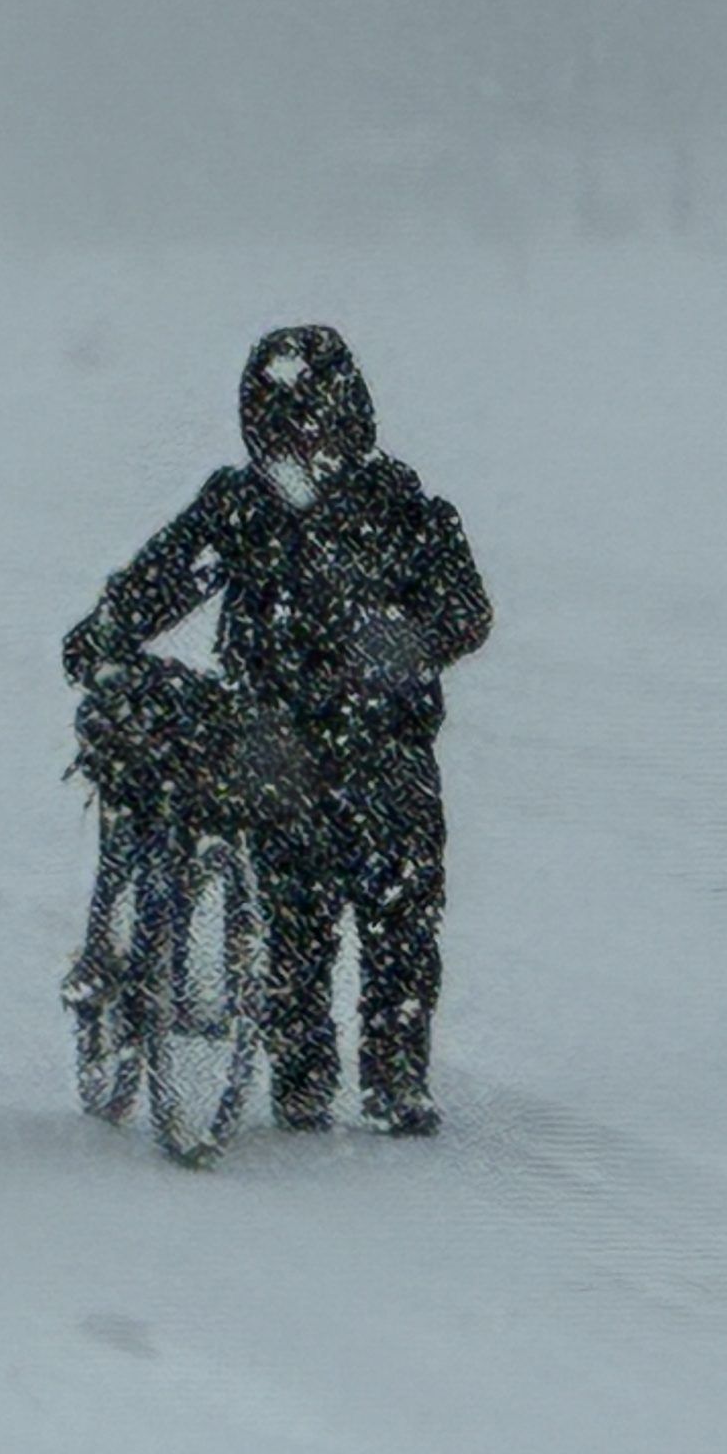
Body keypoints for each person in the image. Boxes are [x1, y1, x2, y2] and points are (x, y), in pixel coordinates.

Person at [65, 326, 491, 1136]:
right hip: (284, 751)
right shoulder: (246, 505)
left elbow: (466, 611)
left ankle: (393, 1080)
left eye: (313, 419)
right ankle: (308, 1084)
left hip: (378, 751)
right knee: (299, 925)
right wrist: (107, 632)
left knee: (395, 923)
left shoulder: (401, 507)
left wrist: (397, 646)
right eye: (283, 421)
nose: (300, 440)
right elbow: (165, 575)